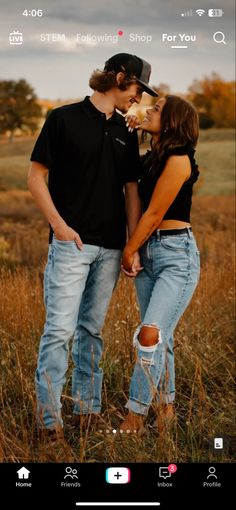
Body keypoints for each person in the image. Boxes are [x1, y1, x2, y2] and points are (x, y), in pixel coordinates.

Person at [28, 53, 157, 439]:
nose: (138, 97)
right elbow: (36, 178)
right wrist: (61, 228)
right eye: (137, 88)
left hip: (112, 249)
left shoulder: (125, 131)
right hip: (72, 246)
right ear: (120, 77)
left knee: (91, 332)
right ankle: (48, 426)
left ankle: (86, 415)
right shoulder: (62, 118)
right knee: (59, 332)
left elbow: (131, 192)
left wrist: (131, 245)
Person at [120, 95, 200, 435]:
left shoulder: (180, 159)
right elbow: (132, 191)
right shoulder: (152, 157)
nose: (149, 111)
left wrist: (128, 249)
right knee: (160, 337)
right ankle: (166, 410)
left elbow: (154, 214)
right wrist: (131, 130)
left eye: (157, 110)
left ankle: (135, 415)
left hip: (176, 256)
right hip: (149, 251)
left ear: (172, 121)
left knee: (149, 335)